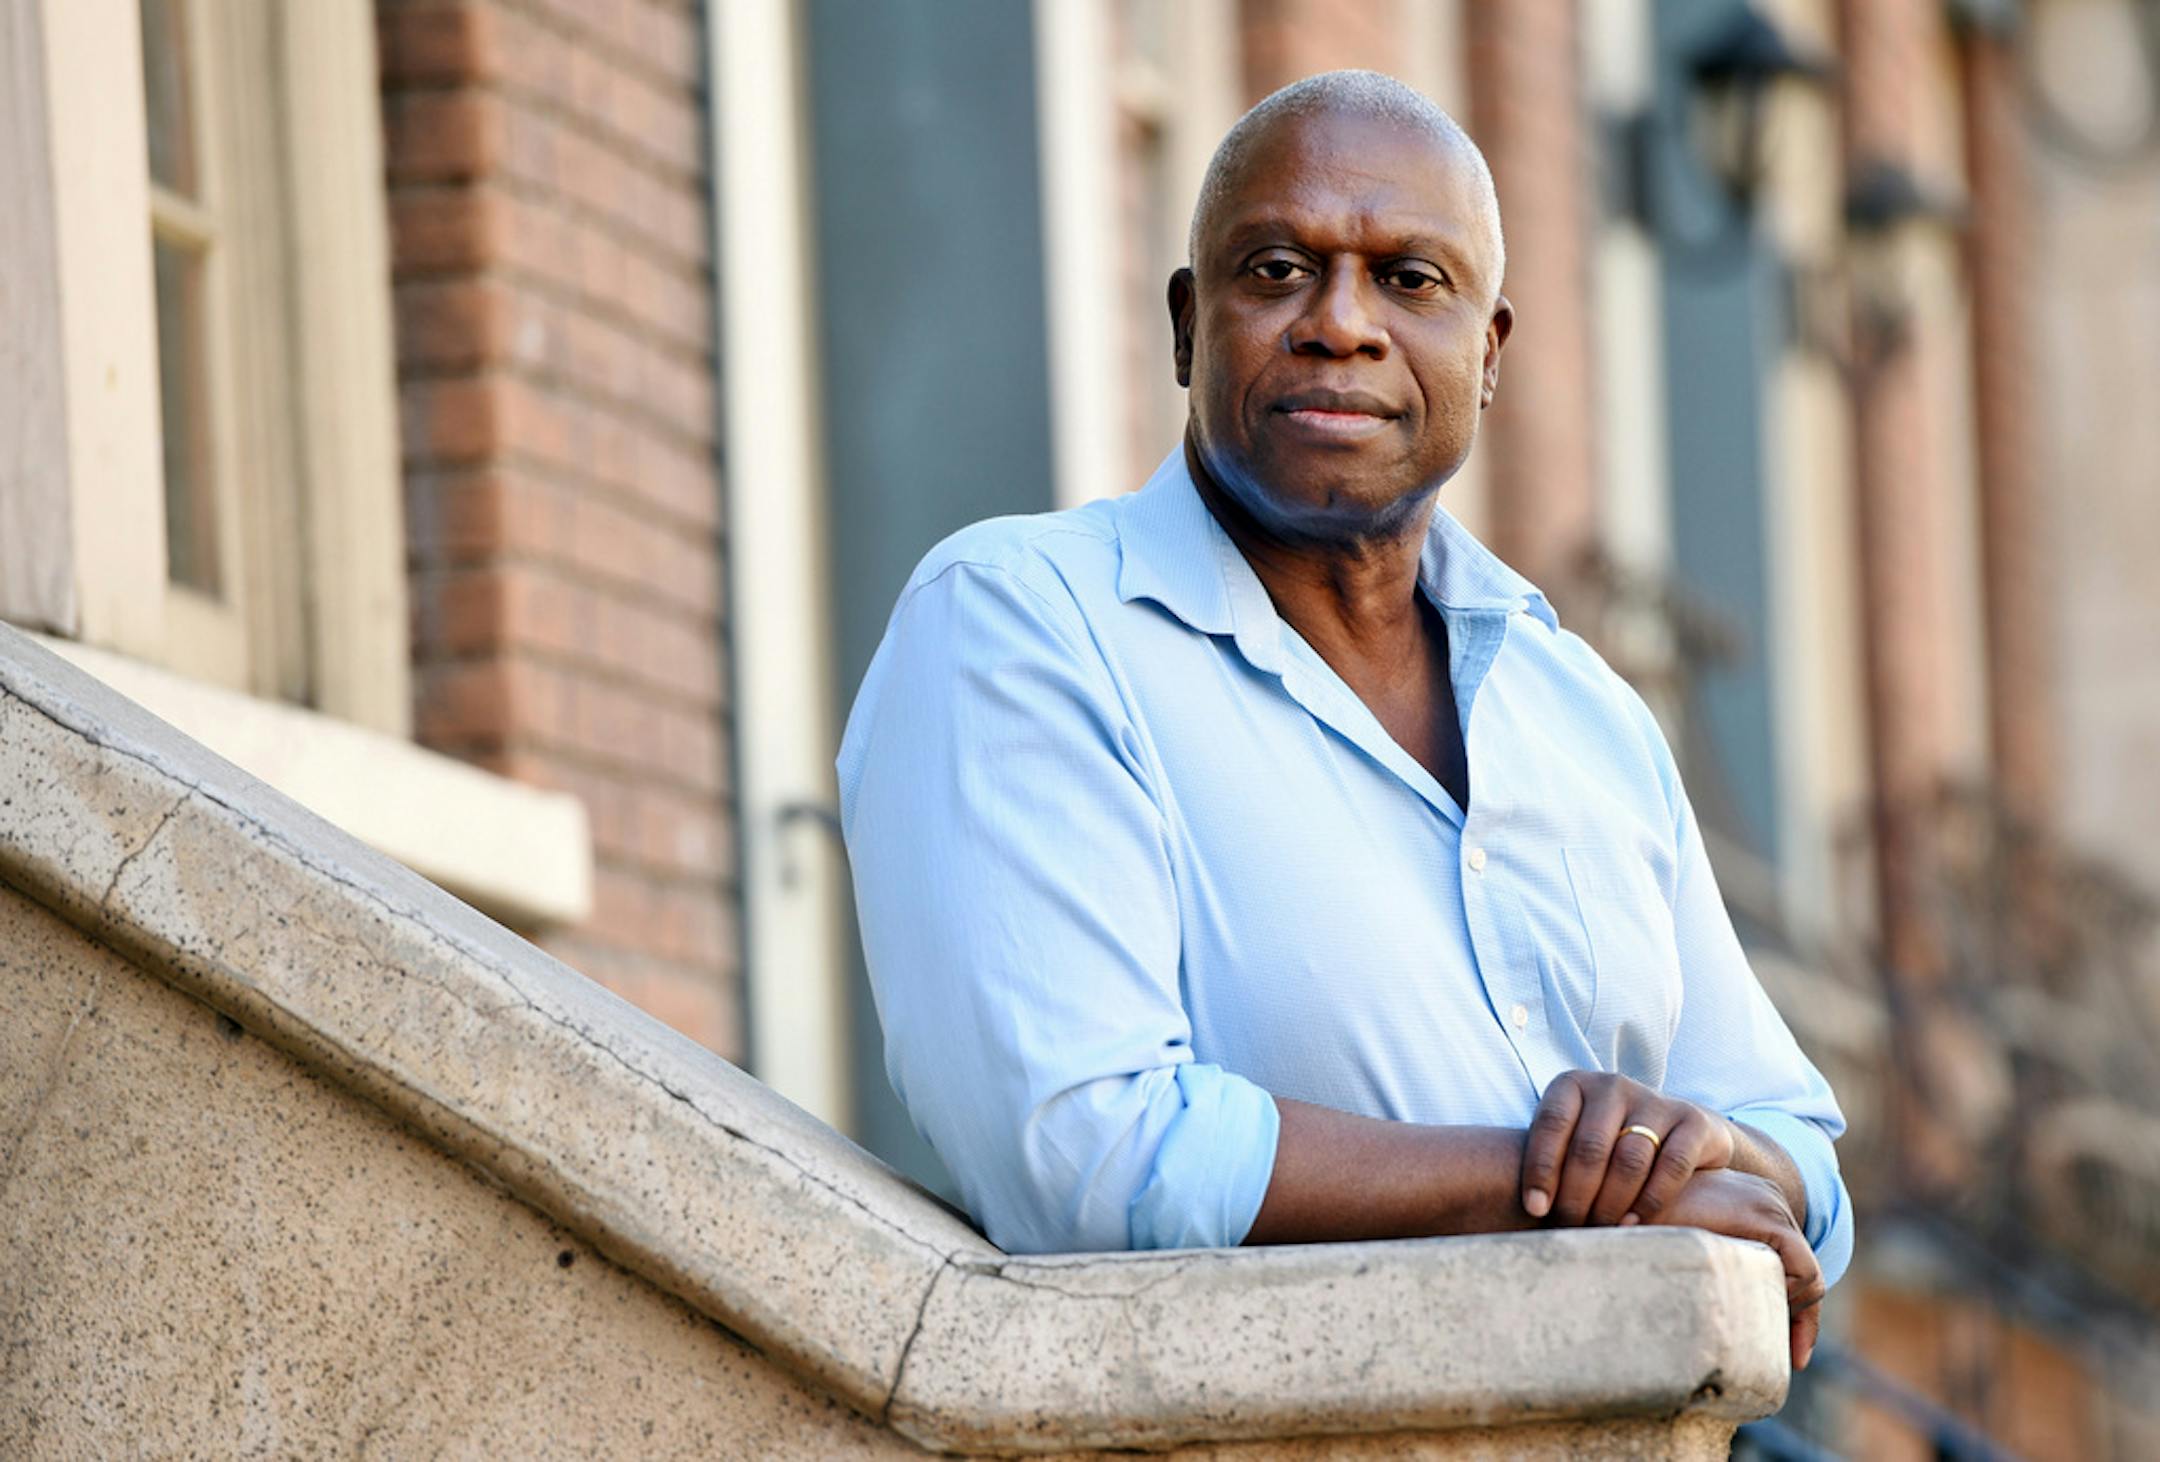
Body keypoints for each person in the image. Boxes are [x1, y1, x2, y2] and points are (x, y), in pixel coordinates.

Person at [837, 70, 1850, 1371]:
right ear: (1189, 328)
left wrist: (1698, 1151)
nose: (1341, 323)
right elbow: (1091, 1154)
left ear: (1488, 353)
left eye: (1410, 279)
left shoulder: (1583, 710)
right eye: (1277, 268)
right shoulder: (1020, 624)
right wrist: (1579, 1192)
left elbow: (1804, 1155)